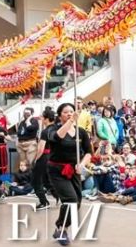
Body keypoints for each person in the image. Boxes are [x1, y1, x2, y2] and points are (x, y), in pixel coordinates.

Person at [47, 103, 93, 246]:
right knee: (70, 199)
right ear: (60, 115)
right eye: (66, 112)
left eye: (71, 112)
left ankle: (61, 226)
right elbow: (57, 138)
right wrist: (71, 121)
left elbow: (89, 152)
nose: (69, 114)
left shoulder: (81, 132)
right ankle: (62, 230)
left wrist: (82, 164)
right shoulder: (52, 129)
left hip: (74, 170)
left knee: (77, 202)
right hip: (57, 170)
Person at [32, 109, 58, 210]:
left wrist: (35, 160)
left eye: (42, 117)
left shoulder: (45, 131)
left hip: (44, 157)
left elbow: (41, 149)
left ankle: (44, 202)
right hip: (53, 157)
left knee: (36, 180)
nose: (41, 119)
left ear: (46, 119)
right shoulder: (57, 129)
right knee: (47, 180)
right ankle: (58, 196)